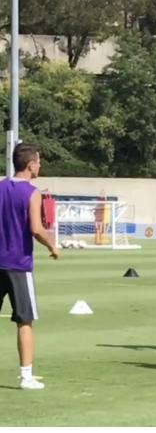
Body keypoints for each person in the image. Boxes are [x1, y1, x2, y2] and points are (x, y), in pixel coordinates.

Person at [0, 144, 59, 390]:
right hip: (18, 264)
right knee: (24, 321)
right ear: (30, 165)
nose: (40, 166)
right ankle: (26, 376)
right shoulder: (31, 193)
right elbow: (35, 228)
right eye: (38, 162)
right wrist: (52, 245)